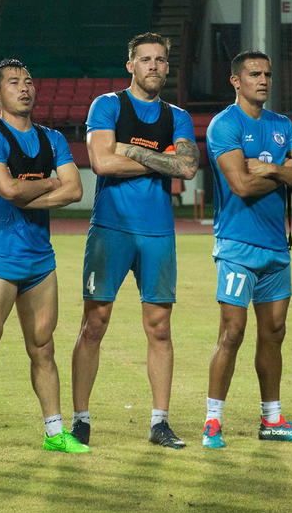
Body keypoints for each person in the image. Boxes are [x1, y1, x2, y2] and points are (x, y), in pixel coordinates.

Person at [71, 32, 198, 449]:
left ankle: (160, 423)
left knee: (159, 328)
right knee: (95, 324)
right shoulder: (108, 105)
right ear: (131, 65)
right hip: (111, 228)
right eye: (146, 59)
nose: (154, 66)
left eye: (161, 60)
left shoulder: (177, 115)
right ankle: (81, 420)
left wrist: (131, 151)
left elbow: (187, 168)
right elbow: (102, 162)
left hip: (158, 232)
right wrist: (160, 161)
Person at [0, 59, 87, 460]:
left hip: (40, 260)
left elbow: (76, 191)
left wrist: (29, 187)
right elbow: (10, 191)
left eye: (29, 81)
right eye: (13, 83)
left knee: (43, 347)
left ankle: (54, 431)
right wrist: (49, 182)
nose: (24, 88)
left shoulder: (52, 139)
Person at [202, 50, 292, 449]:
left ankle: (272, 419)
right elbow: (241, 185)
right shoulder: (224, 125)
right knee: (232, 332)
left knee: (274, 333)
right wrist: (286, 174)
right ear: (236, 81)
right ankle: (213, 421)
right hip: (236, 245)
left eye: (267, 73)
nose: (263, 80)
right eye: (254, 74)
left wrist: (269, 168)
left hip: (275, 248)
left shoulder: (282, 124)